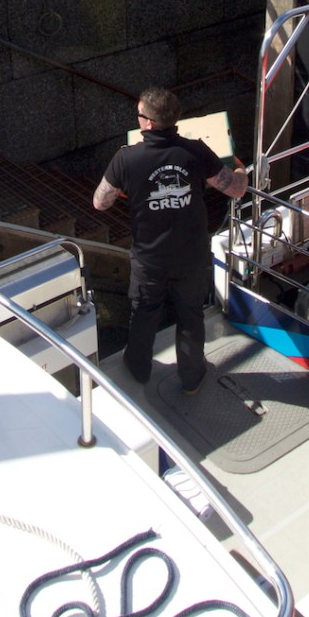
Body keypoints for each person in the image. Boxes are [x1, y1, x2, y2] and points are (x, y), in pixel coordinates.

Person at [93, 87, 249, 393]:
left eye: (139, 115)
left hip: (149, 258)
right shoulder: (195, 150)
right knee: (191, 316)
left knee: (143, 314)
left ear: (148, 124)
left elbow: (100, 202)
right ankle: (192, 377)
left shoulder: (126, 158)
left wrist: (127, 186)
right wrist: (240, 168)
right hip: (190, 256)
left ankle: (138, 369)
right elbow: (236, 189)